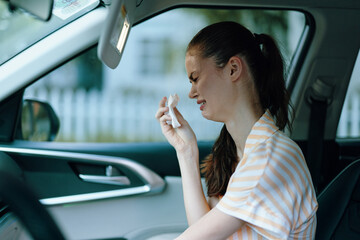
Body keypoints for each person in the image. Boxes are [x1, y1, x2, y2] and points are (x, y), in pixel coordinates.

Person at [155, 21, 318, 240]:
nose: (191, 93)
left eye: (196, 78)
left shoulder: (270, 158)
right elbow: (205, 231)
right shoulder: (236, 155)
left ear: (233, 69)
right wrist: (186, 151)